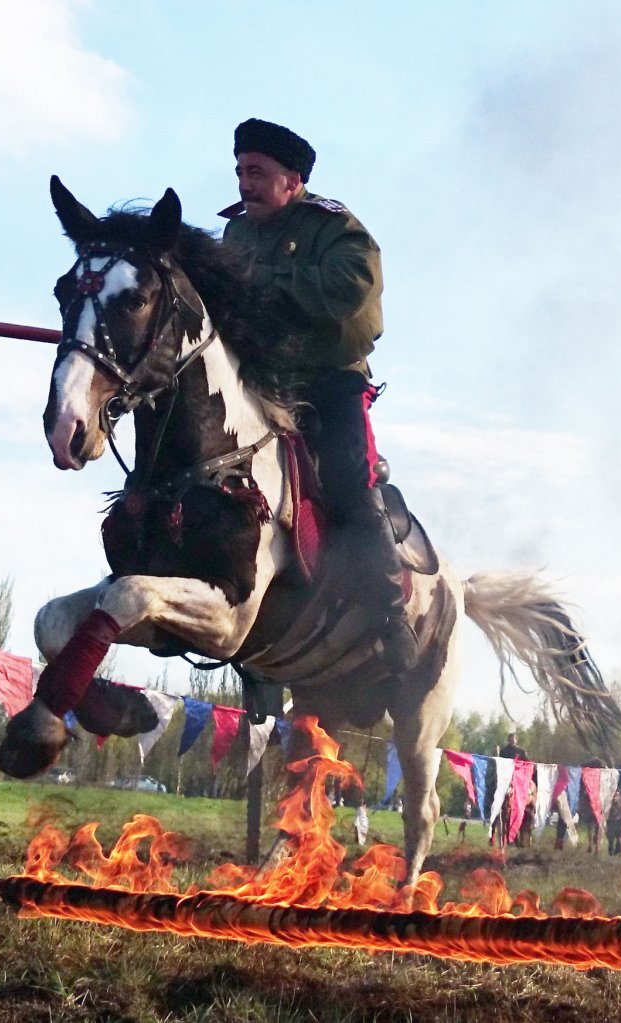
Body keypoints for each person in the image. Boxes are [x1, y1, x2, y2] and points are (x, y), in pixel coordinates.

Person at [220, 118, 416, 672]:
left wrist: (265, 287)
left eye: (256, 172)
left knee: (350, 480)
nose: (244, 183)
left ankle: (390, 613)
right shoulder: (235, 234)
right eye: (240, 171)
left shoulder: (337, 229)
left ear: (294, 179)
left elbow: (351, 292)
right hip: (261, 378)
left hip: (329, 381)